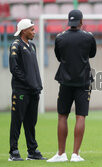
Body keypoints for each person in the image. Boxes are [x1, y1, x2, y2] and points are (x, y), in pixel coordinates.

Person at [47, 9, 96, 162]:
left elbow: (58, 56)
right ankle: (75, 154)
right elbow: (92, 54)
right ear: (81, 21)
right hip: (83, 82)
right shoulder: (89, 37)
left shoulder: (60, 37)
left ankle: (61, 154)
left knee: (62, 116)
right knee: (80, 116)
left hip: (65, 82)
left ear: (69, 21)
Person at [8, 19, 46, 161]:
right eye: (31, 29)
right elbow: (14, 68)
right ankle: (14, 151)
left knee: (31, 122)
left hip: (34, 90)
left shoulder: (32, 46)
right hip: (21, 91)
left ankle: (32, 151)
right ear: (24, 31)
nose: (34, 32)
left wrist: (36, 85)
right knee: (17, 121)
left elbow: (33, 69)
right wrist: (28, 82)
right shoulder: (15, 45)